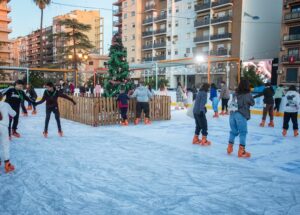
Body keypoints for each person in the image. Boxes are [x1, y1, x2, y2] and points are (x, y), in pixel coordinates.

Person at [227, 79, 255, 158]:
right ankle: (241, 151)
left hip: (232, 114)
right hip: (241, 115)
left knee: (233, 132)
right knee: (243, 133)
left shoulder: (235, 93)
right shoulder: (248, 94)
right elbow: (252, 103)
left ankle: (229, 148)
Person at [0, 92, 16, 173]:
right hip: (3, 127)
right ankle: (7, 163)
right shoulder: (6, 105)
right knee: (5, 144)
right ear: (2, 97)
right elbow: (13, 113)